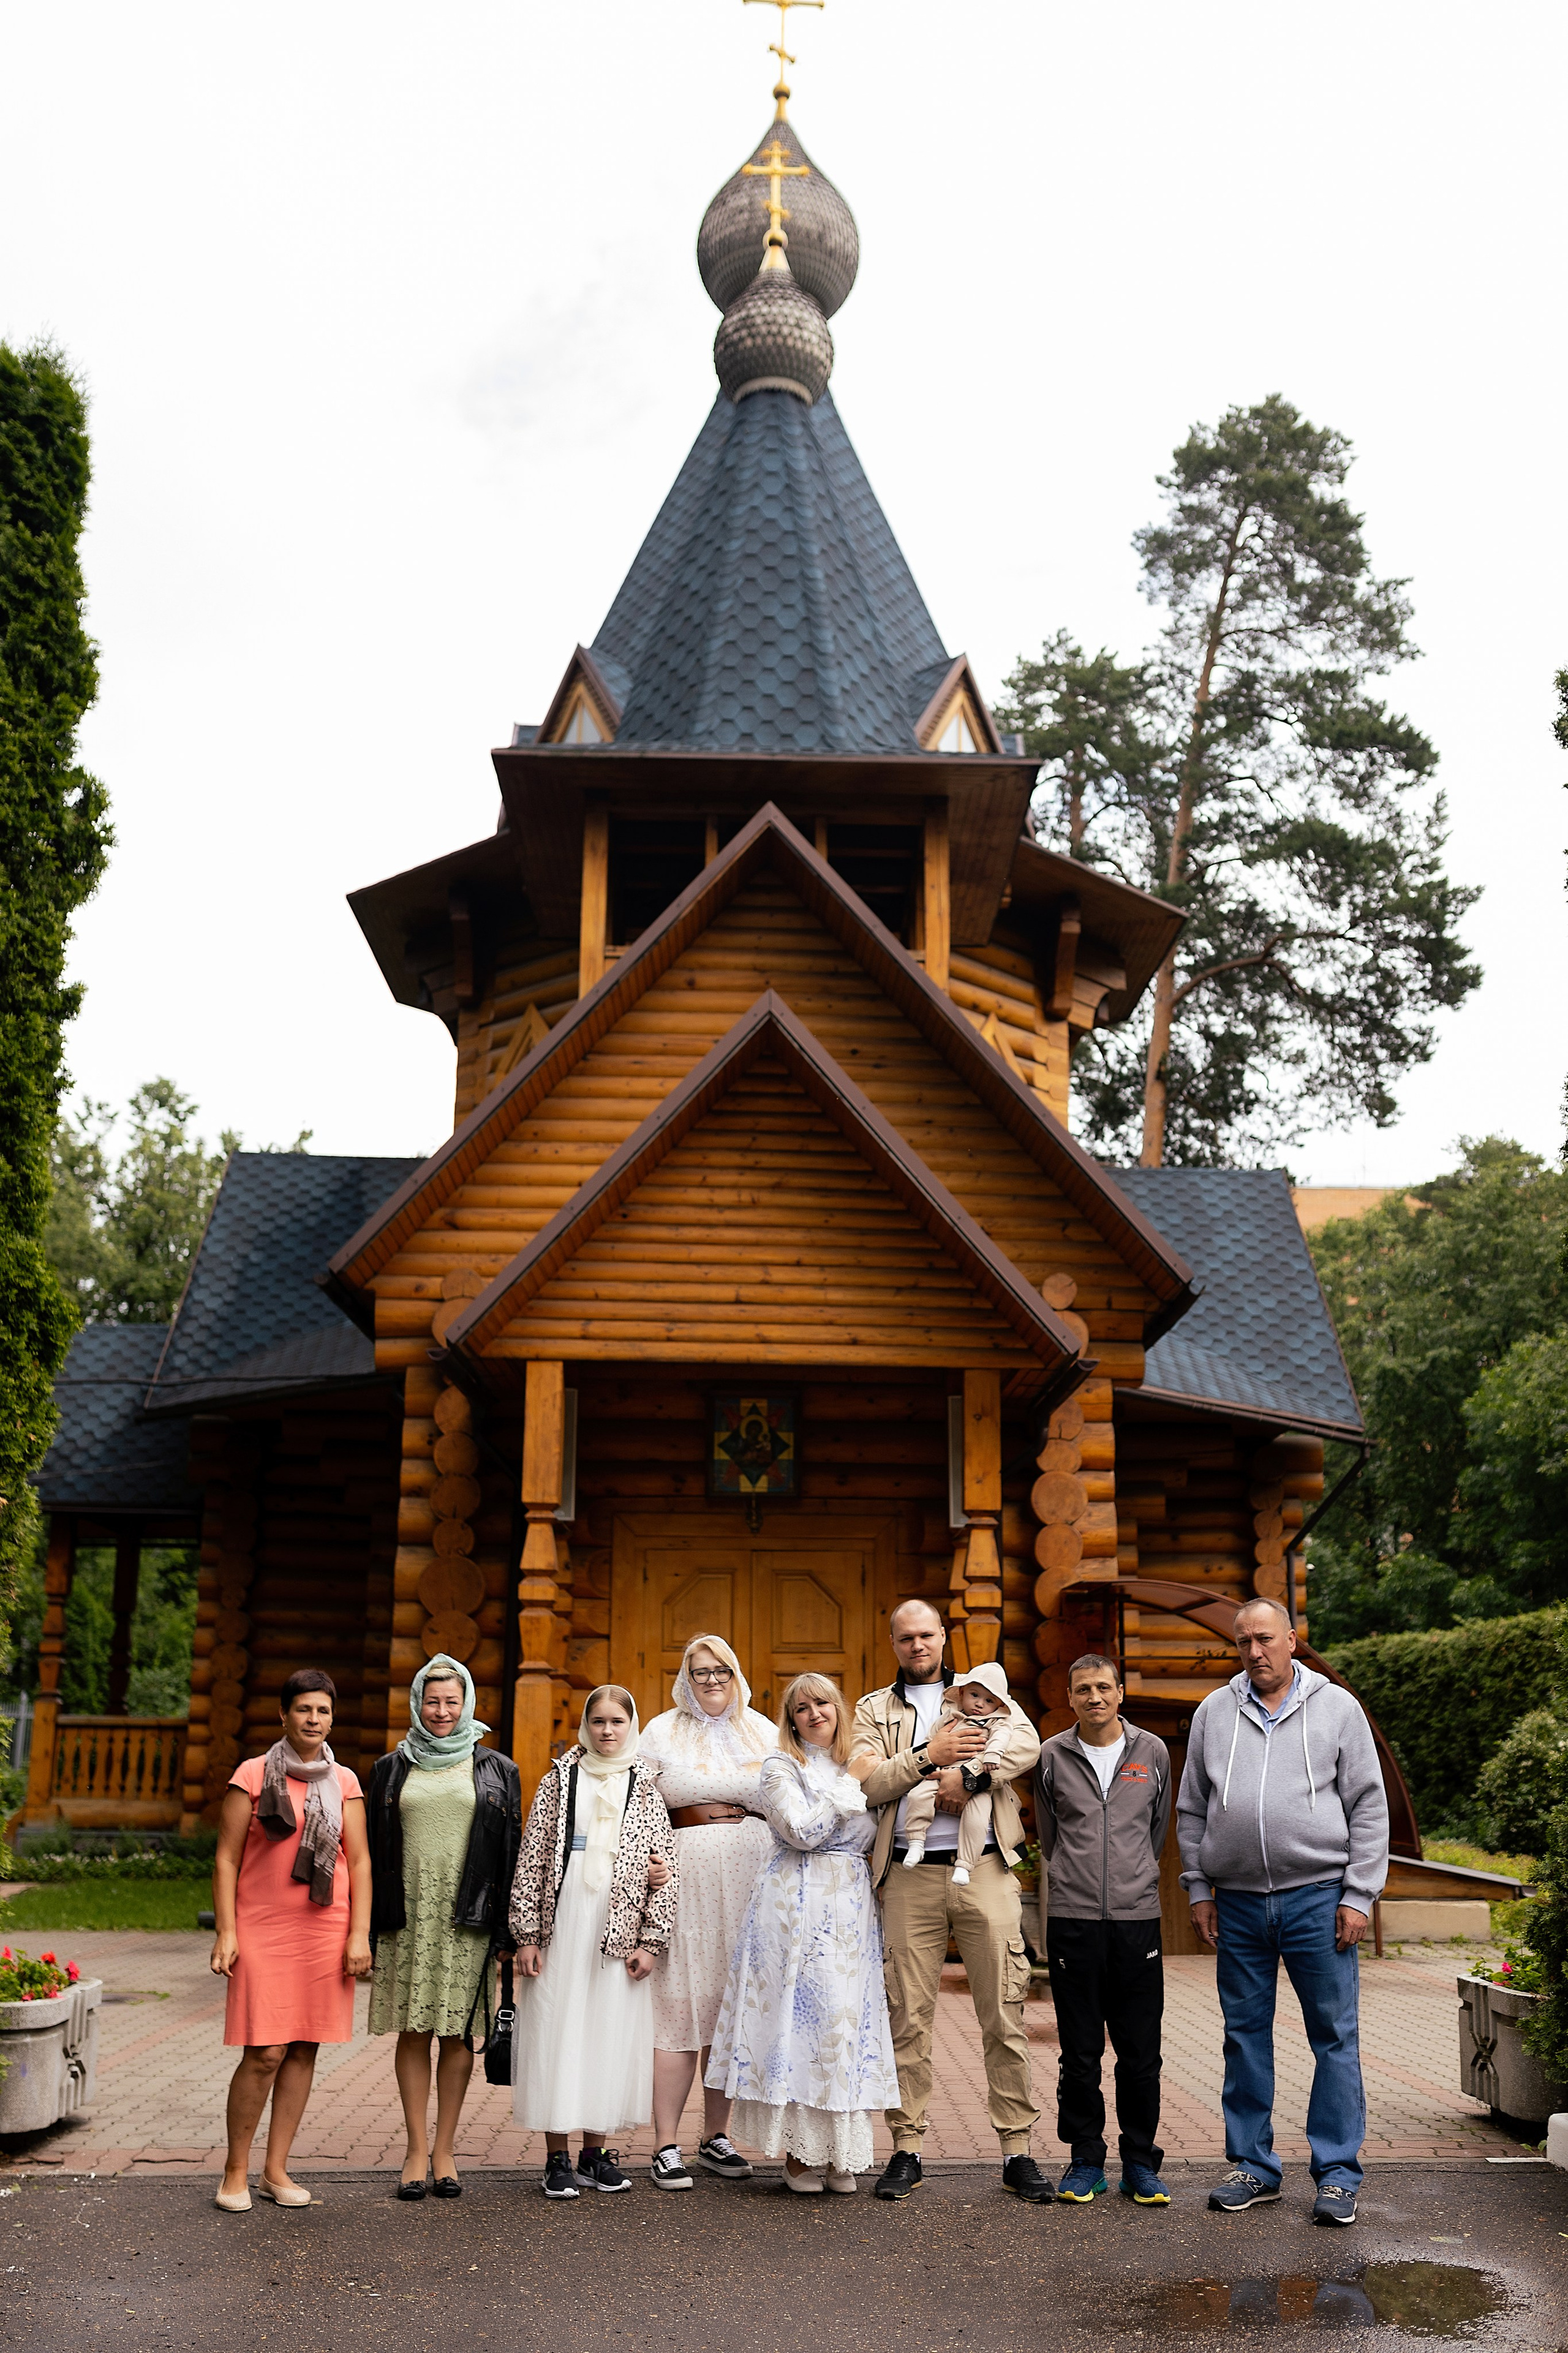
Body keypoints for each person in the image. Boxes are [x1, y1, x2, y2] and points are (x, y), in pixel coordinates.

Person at [1177, 1596, 1389, 2226]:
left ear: (1292, 1640)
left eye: (1265, 1638)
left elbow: (1369, 1805)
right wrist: (1197, 1887)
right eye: (1243, 1642)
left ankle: (1338, 2174)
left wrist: (1358, 1894)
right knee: (1243, 2037)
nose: (1254, 1651)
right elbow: (1192, 1808)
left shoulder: (1336, 1708)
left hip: (1318, 1898)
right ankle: (1253, 2167)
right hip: (1237, 1903)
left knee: (1333, 2036)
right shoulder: (1215, 1711)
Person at [851, 1600, 1050, 2204]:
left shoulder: (982, 1690)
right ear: (892, 1642)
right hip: (909, 1877)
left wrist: (971, 1778)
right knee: (907, 2016)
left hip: (985, 1867)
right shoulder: (873, 1709)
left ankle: (1017, 2150)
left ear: (943, 1637)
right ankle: (906, 2147)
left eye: (927, 1635)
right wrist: (926, 1758)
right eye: (906, 1636)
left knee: (1003, 2011)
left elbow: (1027, 1746)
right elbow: (864, 1780)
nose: (917, 1645)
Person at [706, 1672, 898, 2192]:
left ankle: (840, 2154)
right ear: (791, 1718)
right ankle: (798, 2154)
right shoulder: (778, 1767)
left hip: (852, 1906)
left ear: (840, 1709)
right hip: (796, 1904)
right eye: (803, 1706)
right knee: (805, 2021)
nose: (815, 1713)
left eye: (824, 1703)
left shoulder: (859, 1762)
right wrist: (850, 1784)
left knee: (844, 2025)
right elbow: (803, 1831)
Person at [209, 1667, 372, 2211]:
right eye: (304, 1709)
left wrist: (359, 1934)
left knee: (304, 2045)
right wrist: (227, 1931)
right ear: (284, 1714)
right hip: (263, 1927)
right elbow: (227, 1857)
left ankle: (276, 2168)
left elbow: (361, 1861)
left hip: (325, 1928)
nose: (314, 1719)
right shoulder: (252, 1775)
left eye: (323, 1710)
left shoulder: (345, 1781)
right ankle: (236, 2169)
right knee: (265, 2051)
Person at [509, 1686, 679, 2199]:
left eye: (617, 1721)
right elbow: (534, 1853)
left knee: (606, 2031)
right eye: (599, 1721)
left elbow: (666, 1866)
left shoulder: (646, 1786)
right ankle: (556, 2155)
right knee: (558, 2028)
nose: (608, 1730)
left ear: (632, 1725)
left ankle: (595, 2152)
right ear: (586, 1725)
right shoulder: (561, 1779)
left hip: (619, 1922)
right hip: (565, 1919)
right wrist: (528, 1934)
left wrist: (651, 1939)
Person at [366, 1652, 522, 2200]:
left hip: (468, 1916)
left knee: (457, 2032)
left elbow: (510, 1855)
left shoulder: (498, 1769)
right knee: (414, 2029)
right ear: (417, 1701)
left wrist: (510, 1933)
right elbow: (369, 1850)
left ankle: (445, 2150)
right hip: (407, 1916)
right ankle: (414, 2148)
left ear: (468, 1704)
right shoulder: (390, 1767)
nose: (441, 1711)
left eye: (451, 1701)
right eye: (432, 1700)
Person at [1035, 1652, 1172, 2207]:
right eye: (1083, 1689)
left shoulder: (1153, 1753)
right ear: (1070, 1698)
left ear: (1120, 1693)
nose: (1094, 1697)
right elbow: (1050, 1834)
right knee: (1080, 2051)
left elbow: (1157, 1830)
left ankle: (1141, 2161)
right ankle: (1086, 2159)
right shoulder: (1052, 1756)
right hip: (1074, 1919)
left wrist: (1132, 1878)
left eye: (1103, 1687)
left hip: (1137, 1920)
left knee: (1141, 2052)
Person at [640, 1633, 777, 2191]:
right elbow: (638, 1802)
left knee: (729, 2007)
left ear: (737, 1672)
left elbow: (787, 1799)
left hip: (751, 1882)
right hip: (685, 1881)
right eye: (701, 1671)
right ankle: (664, 2143)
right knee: (680, 2005)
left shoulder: (764, 1729)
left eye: (721, 1669)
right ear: (685, 1677)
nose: (713, 1679)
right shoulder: (661, 1729)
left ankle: (715, 2136)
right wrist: (646, 1861)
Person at [898, 1661, 1038, 1884]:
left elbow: (1003, 1739)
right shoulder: (952, 1717)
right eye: (975, 1695)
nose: (980, 1704)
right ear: (962, 1693)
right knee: (918, 1797)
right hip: (941, 1772)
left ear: (999, 1704)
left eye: (989, 1700)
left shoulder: (998, 1722)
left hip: (979, 1778)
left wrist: (990, 1758)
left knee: (978, 1817)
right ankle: (916, 1842)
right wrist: (929, 1754)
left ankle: (965, 1864)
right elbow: (930, 1740)